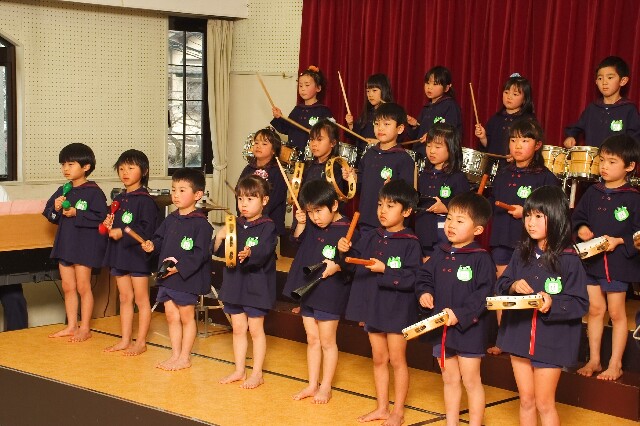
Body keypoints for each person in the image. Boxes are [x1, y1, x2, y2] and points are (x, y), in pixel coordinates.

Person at [496, 186, 589, 426]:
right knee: (526, 400)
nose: (530, 222)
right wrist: (513, 285)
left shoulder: (569, 258)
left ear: (556, 217)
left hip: (552, 342)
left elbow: (580, 303)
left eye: (539, 216)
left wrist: (552, 303)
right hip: (518, 335)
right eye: (528, 215)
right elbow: (502, 284)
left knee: (544, 404)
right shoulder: (521, 252)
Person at [337, 179, 421, 426]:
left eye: (390, 206)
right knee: (378, 358)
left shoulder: (411, 242)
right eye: (380, 204)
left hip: (397, 309)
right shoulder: (371, 235)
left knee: (397, 360)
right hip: (373, 306)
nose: (383, 210)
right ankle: (382, 407)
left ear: (407, 211)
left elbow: (414, 278)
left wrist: (386, 270)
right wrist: (344, 251)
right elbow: (351, 264)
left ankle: (398, 412)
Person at [415, 192, 495, 426]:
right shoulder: (440, 252)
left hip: (469, 331)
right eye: (449, 218)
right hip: (442, 329)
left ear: (477, 230)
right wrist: (424, 293)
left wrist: (459, 314)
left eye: (460, 221)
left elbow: (484, 294)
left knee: (471, 381)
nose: (451, 225)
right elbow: (424, 277)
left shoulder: (481, 258)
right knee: (449, 379)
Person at [488, 119, 560, 355]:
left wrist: (526, 212)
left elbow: (554, 211)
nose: (517, 145)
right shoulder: (503, 173)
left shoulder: (545, 177)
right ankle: (503, 340)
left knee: (528, 289)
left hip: (529, 242)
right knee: (504, 288)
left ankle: (525, 341)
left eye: (525, 140)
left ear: (537, 145)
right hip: (502, 238)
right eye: (513, 140)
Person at [572, 134, 640, 381]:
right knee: (595, 310)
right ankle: (594, 360)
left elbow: (638, 234)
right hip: (592, 262)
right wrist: (581, 229)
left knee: (617, 313)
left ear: (629, 166)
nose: (604, 166)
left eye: (612, 162)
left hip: (619, 265)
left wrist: (620, 241)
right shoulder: (593, 191)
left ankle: (615, 363)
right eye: (602, 160)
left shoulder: (633, 197)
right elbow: (578, 217)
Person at [283, 180, 355, 404]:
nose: (315, 217)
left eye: (319, 211)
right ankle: (312, 384)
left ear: (334, 205)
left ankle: (326, 386)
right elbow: (296, 240)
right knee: (312, 339)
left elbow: (353, 264)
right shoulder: (312, 225)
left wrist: (340, 263)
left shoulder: (348, 228)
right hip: (309, 289)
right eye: (310, 212)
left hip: (330, 292)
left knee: (327, 341)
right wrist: (300, 223)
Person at [141, 168, 213, 370]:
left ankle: (184, 357)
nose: (176, 195)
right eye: (174, 190)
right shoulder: (171, 219)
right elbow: (159, 239)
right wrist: (151, 246)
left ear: (197, 195)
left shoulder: (201, 224)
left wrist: (179, 268)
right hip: (167, 276)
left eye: (182, 190)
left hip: (186, 278)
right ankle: (175, 355)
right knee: (171, 316)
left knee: (186, 317)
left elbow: (200, 253)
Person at [214, 174, 278, 389]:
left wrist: (251, 253)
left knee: (256, 330)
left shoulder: (268, 226)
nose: (244, 204)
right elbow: (219, 252)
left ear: (264, 200)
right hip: (235, 283)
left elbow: (265, 251)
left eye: (250, 199)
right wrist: (220, 237)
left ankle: (257, 373)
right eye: (240, 199)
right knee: (238, 328)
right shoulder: (234, 224)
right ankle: (239, 370)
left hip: (256, 285)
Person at [43, 143, 108, 342]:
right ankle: (72, 326)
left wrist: (76, 213)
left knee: (83, 286)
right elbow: (50, 215)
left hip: (84, 247)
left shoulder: (94, 192)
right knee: (68, 287)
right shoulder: (63, 190)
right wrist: (55, 208)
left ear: (86, 166)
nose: (65, 169)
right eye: (63, 165)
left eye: (71, 164)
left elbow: (101, 218)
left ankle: (85, 327)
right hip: (65, 244)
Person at [102, 149, 158, 355]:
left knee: (141, 300)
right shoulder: (120, 198)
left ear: (144, 171)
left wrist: (121, 233)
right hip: (120, 254)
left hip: (137, 257)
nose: (125, 173)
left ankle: (140, 342)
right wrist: (109, 225)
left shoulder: (146, 200)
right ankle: (125, 340)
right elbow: (115, 225)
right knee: (125, 298)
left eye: (131, 168)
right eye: (121, 168)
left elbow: (147, 229)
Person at [344, 102, 415, 233]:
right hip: (366, 219)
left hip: (390, 225)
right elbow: (360, 186)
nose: (380, 128)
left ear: (400, 129)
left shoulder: (404, 159)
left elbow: (408, 195)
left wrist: (393, 189)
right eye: (377, 124)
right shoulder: (369, 154)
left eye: (386, 124)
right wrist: (352, 178)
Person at [415, 122, 469, 262]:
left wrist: (446, 208)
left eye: (438, 147)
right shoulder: (423, 175)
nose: (431, 151)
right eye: (429, 145)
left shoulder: (457, 177)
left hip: (444, 235)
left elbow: (466, 208)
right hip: (423, 231)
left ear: (451, 148)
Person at [563, 56, 640, 148]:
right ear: (596, 82)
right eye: (600, 78)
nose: (604, 82)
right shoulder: (592, 108)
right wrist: (571, 136)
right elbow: (576, 128)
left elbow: (634, 140)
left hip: (616, 157)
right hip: (592, 157)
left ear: (623, 81)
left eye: (610, 78)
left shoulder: (629, 109)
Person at [271, 65, 333, 152]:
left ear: (318, 88)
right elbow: (286, 129)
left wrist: (317, 134)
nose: (303, 89)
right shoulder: (297, 109)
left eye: (307, 85)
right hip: (294, 154)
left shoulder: (323, 111)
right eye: (300, 86)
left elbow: (330, 134)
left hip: (313, 155)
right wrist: (279, 117)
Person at [238, 127, 287, 236]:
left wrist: (256, 215)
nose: (258, 146)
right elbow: (239, 192)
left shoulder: (278, 172)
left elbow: (275, 199)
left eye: (264, 144)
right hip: (248, 223)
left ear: (273, 150)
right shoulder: (248, 169)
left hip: (270, 225)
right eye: (256, 143)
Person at [475, 73, 536, 158]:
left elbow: (532, 150)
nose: (509, 97)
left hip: (515, 165)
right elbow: (489, 148)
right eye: (506, 92)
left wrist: (517, 157)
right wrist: (483, 137)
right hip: (492, 164)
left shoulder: (529, 122)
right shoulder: (495, 119)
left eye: (515, 94)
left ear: (525, 99)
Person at [407, 66, 463, 158]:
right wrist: (414, 125)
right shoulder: (426, 108)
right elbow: (416, 137)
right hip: (420, 155)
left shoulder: (450, 106)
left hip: (437, 157)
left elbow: (450, 133)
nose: (429, 87)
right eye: (427, 83)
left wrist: (432, 135)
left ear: (446, 88)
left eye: (435, 84)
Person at [0, 185, 28, 331]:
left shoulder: (0, 190)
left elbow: (8, 222)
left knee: (15, 298)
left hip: (2, 256)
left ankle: (19, 340)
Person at [345, 73, 394, 150]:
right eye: (368, 91)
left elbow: (397, 139)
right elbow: (355, 137)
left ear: (384, 90)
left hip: (380, 155)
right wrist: (350, 124)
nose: (370, 95)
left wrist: (379, 142)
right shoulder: (368, 112)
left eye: (374, 90)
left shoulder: (391, 113)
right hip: (362, 154)